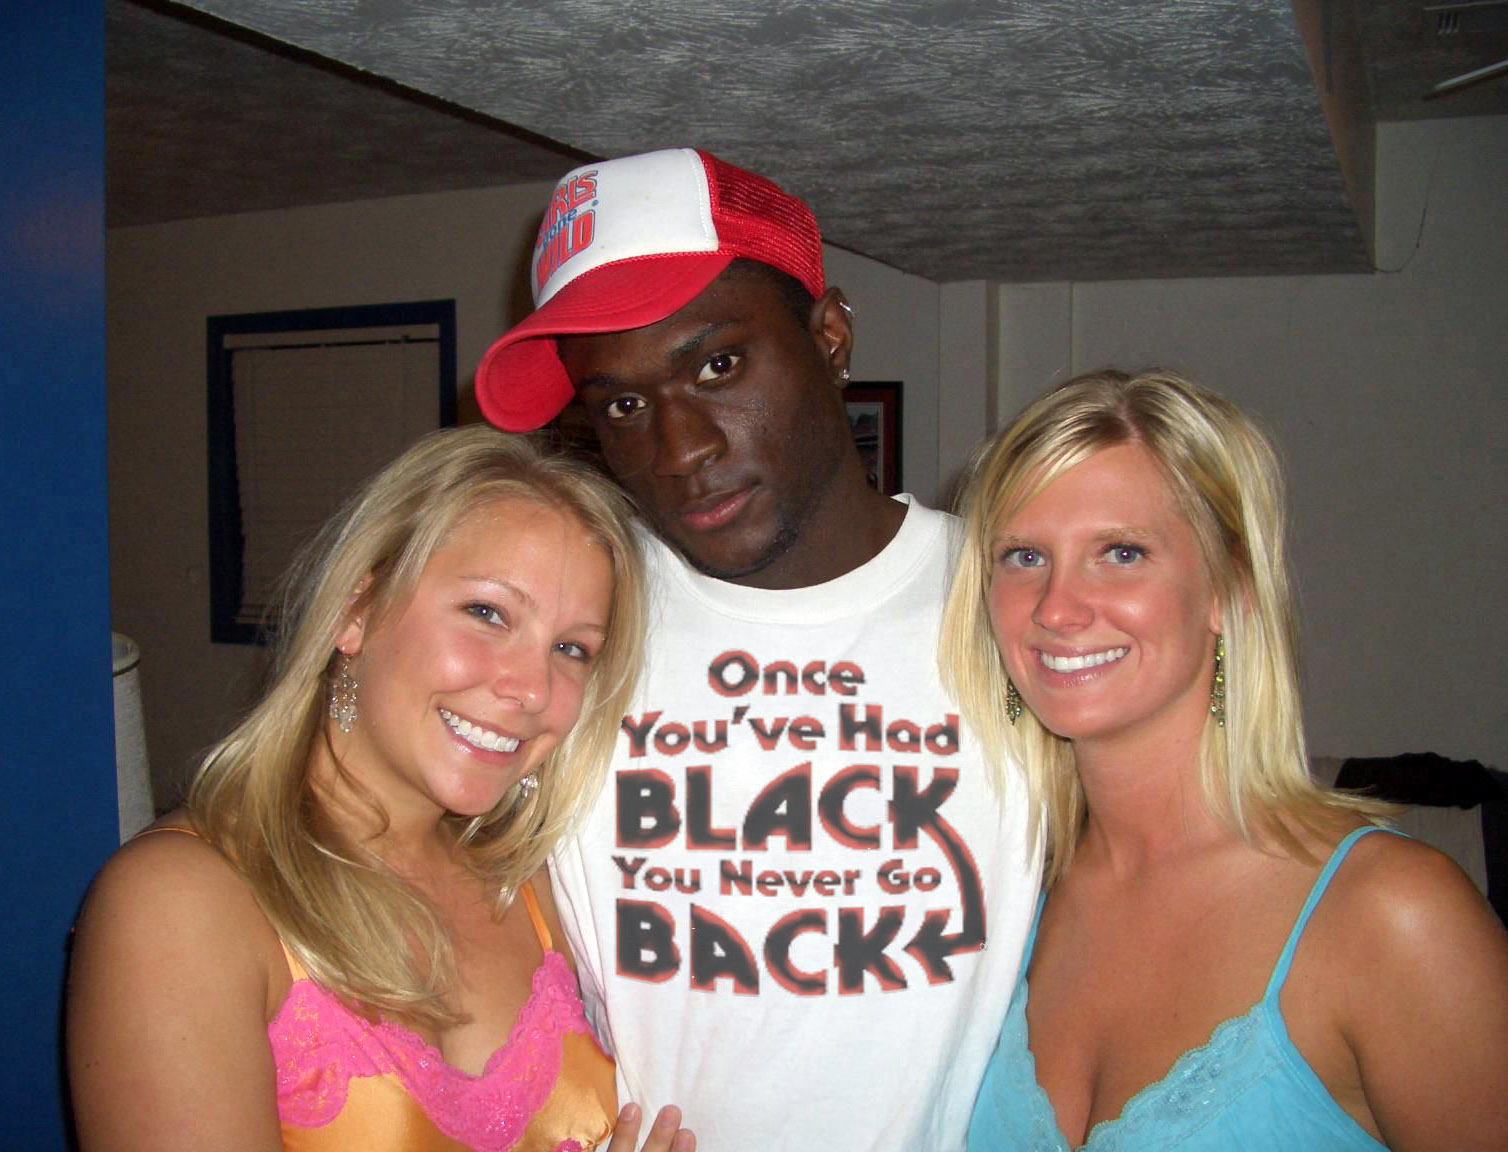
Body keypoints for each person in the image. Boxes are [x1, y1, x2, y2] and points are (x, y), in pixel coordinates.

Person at [474, 147, 1040, 1152]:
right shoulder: (575, 626)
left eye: (717, 366)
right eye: (622, 405)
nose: (680, 448)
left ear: (829, 337)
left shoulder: (1013, 604)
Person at [67, 427, 695, 1152]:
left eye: (571, 648)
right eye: (487, 613)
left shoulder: (541, 886)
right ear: (355, 611)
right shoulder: (179, 903)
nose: (531, 688)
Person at [942, 370, 1508, 1150]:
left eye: (1122, 552)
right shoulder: (998, 899)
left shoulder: (1393, 915)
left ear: (1229, 589)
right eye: (1024, 556)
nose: (1057, 608)